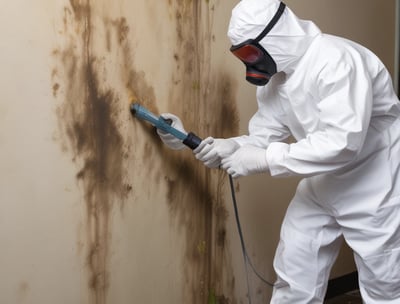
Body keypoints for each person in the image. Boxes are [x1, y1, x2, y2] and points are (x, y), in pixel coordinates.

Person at [157, 0, 400, 302]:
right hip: (323, 181)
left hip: (374, 183)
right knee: (295, 264)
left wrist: (261, 159)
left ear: (275, 36)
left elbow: (342, 144)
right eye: (241, 55)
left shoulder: (337, 60)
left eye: (250, 53)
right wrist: (224, 145)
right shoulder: (279, 79)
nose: (249, 62)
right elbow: (261, 138)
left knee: (385, 285)